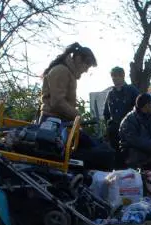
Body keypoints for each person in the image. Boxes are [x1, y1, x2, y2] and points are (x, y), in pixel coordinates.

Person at [39, 43, 114, 171]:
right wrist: (77, 115)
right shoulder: (61, 71)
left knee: (102, 147)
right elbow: (57, 102)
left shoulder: (68, 73)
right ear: (78, 59)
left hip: (63, 123)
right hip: (54, 124)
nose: (86, 70)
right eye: (87, 65)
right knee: (102, 154)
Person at [103, 67, 140, 168]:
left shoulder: (132, 90)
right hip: (114, 132)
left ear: (122, 76)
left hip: (129, 131)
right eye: (113, 76)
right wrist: (108, 127)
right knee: (117, 160)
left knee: (129, 159)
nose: (114, 79)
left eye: (116, 76)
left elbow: (140, 108)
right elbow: (106, 113)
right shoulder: (110, 94)